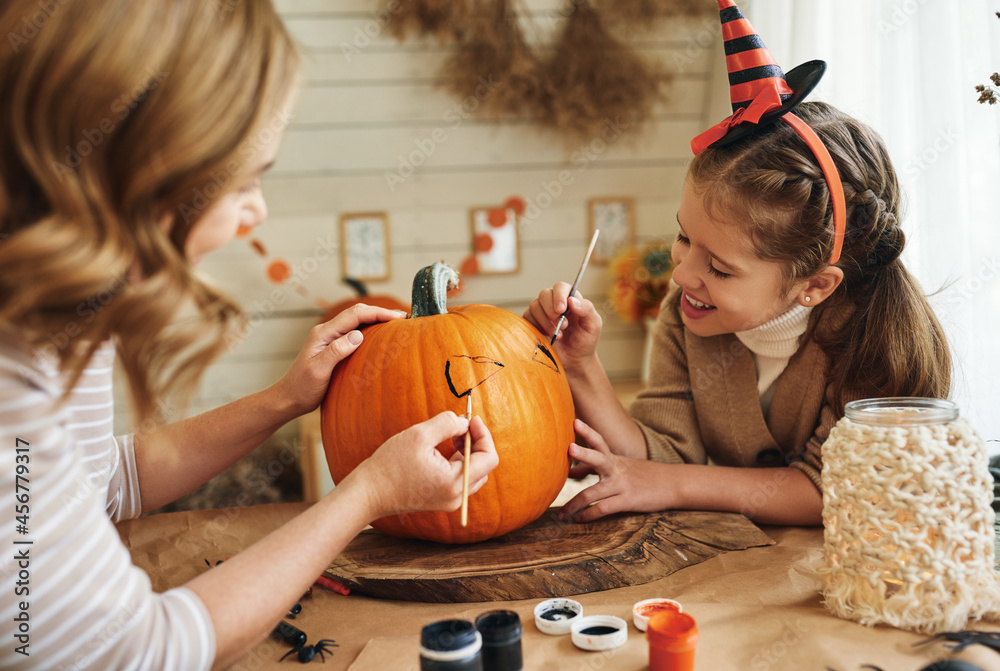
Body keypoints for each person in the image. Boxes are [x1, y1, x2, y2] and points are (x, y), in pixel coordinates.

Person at [0, 2, 499, 670]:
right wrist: (369, 493)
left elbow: (104, 479)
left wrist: (285, 398)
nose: (257, 210)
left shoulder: (60, 303)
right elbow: (136, 651)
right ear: (149, 173)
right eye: (246, 178)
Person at [526, 2, 951, 529]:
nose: (681, 275)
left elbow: (832, 489)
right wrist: (579, 364)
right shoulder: (689, 312)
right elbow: (661, 456)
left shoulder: (873, 341)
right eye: (684, 237)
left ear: (814, 286)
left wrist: (672, 484)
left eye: (720, 268)